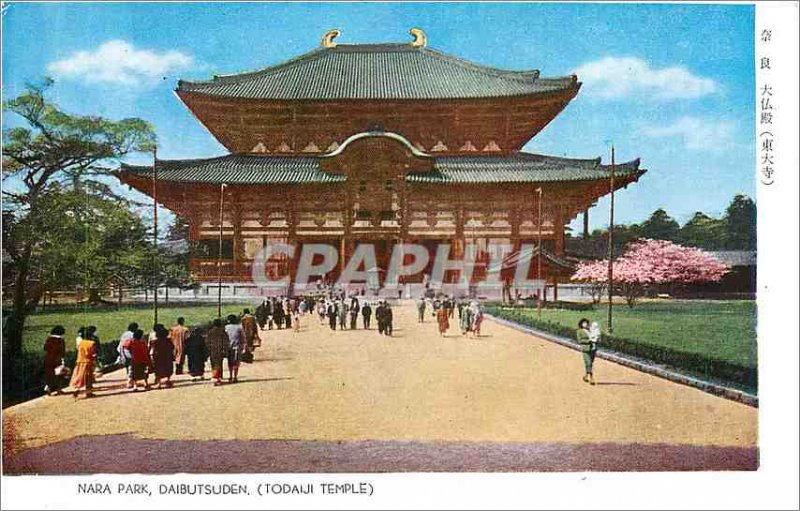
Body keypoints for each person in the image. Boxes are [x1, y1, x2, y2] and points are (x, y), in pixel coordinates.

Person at [70, 328, 97, 399]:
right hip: (88, 362)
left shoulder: (81, 343)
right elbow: (92, 354)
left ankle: (76, 389)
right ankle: (88, 392)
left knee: (79, 377)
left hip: (79, 362)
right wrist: (94, 361)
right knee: (88, 378)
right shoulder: (91, 343)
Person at [43, 326, 67, 396]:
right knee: (59, 374)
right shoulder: (61, 340)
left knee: (49, 374)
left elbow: (45, 348)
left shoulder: (48, 339)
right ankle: (58, 389)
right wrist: (63, 359)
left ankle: (48, 387)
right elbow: (62, 351)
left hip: (48, 359)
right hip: (57, 359)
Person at [205, 319, 229, 386]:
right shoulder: (222, 331)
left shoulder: (210, 332)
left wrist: (208, 349)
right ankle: (218, 377)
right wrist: (225, 349)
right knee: (219, 364)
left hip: (212, 350)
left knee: (213, 364)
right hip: (220, 350)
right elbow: (226, 341)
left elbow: (207, 342)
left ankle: (215, 376)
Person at [151, 324, 175, 389]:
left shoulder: (155, 342)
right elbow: (172, 347)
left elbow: (154, 350)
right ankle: (168, 380)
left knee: (158, 370)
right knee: (168, 368)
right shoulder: (168, 341)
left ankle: (159, 383)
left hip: (159, 357)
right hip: (167, 356)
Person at [225, 314, 244, 383]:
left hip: (228, 347)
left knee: (230, 362)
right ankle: (235, 377)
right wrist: (243, 346)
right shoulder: (239, 327)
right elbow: (243, 338)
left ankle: (230, 376)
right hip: (237, 347)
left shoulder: (226, 327)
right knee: (236, 363)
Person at [577, 318, 596, 385]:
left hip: (592, 349)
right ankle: (591, 378)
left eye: (586, 323)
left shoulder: (591, 330)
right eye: (583, 323)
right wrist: (588, 341)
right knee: (589, 362)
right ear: (581, 324)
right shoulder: (579, 331)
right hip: (585, 349)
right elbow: (580, 340)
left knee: (590, 363)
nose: (585, 324)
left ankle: (586, 375)